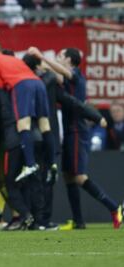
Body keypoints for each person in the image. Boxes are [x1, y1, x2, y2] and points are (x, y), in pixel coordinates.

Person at [29, 47, 122, 229]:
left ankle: (114, 207)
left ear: (70, 61)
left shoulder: (76, 74)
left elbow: (62, 72)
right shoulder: (65, 79)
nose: (57, 58)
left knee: (79, 177)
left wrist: (41, 56)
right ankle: (79, 221)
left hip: (77, 131)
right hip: (70, 131)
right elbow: (53, 74)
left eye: (60, 56)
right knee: (68, 176)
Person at [0, 27, 57, 183]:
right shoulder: (13, 59)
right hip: (38, 84)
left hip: (21, 86)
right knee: (45, 125)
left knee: (24, 125)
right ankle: (52, 164)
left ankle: (30, 164)